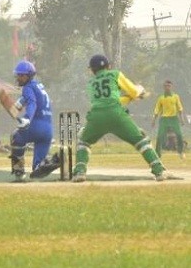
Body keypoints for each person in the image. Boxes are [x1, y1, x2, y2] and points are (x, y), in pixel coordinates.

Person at [71, 54, 176, 183]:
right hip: (117, 114)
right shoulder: (115, 74)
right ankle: (159, 171)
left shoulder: (91, 83)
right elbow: (133, 92)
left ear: (92, 69)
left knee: (84, 142)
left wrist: (130, 98)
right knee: (141, 141)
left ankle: (80, 172)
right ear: (108, 66)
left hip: (96, 116)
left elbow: (106, 101)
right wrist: (139, 91)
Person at [6, 60, 54, 181]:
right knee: (37, 170)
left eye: (21, 75)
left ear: (29, 75)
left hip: (35, 126)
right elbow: (27, 100)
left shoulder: (27, 88)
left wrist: (27, 118)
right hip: (48, 130)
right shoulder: (38, 86)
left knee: (15, 136)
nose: (19, 78)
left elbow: (32, 103)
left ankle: (19, 172)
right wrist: (15, 106)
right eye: (18, 75)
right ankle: (44, 164)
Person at [152, 80, 186, 159]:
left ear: (171, 87)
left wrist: (182, 119)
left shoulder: (175, 96)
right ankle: (157, 154)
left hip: (174, 118)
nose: (167, 87)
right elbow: (157, 109)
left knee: (179, 135)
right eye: (166, 86)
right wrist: (154, 120)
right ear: (163, 87)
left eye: (169, 86)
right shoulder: (161, 98)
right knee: (160, 136)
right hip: (164, 119)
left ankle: (180, 152)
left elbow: (180, 108)